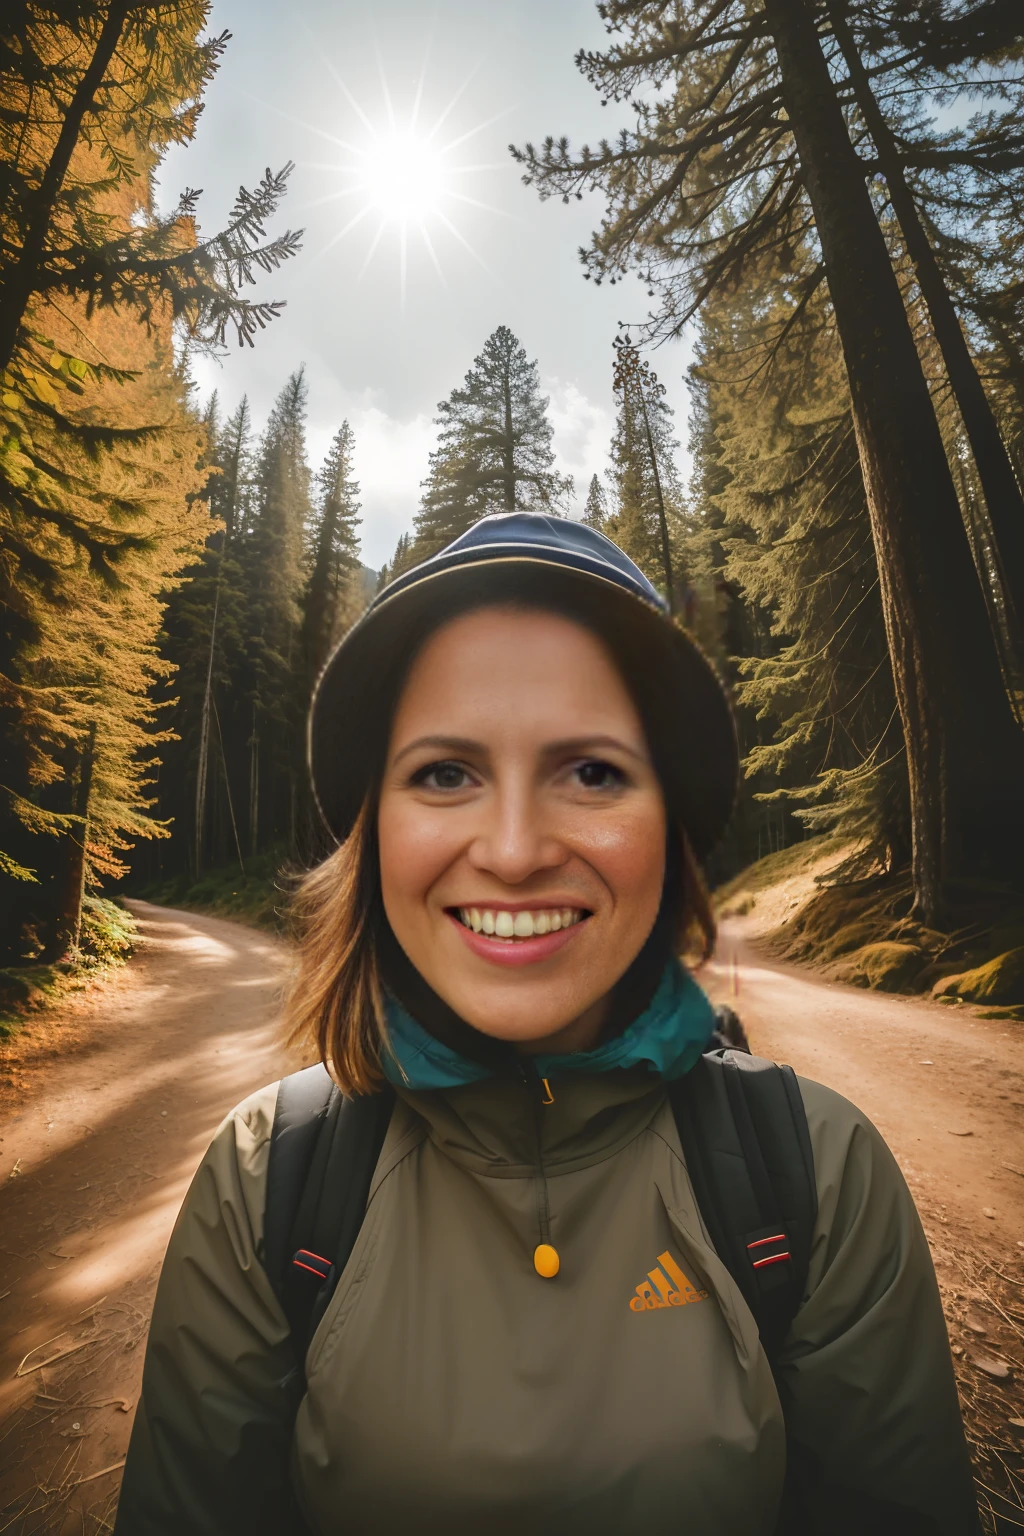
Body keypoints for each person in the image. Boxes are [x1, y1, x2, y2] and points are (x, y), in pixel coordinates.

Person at [115, 513, 980, 1535]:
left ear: (671, 834)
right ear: (372, 834)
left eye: (592, 772)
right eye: (444, 773)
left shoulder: (815, 1172)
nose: (516, 851)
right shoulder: (270, 1178)